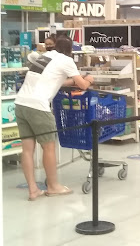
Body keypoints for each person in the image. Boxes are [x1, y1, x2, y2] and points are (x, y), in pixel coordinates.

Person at [15, 35, 94, 201]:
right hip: (39, 107)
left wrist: (70, 81)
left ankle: (33, 190)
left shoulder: (44, 57)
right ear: (70, 50)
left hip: (21, 103)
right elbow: (83, 85)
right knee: (48, 148)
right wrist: (89, 79)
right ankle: (53, 186)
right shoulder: (66, 60)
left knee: (27, 149)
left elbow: (52, 79)